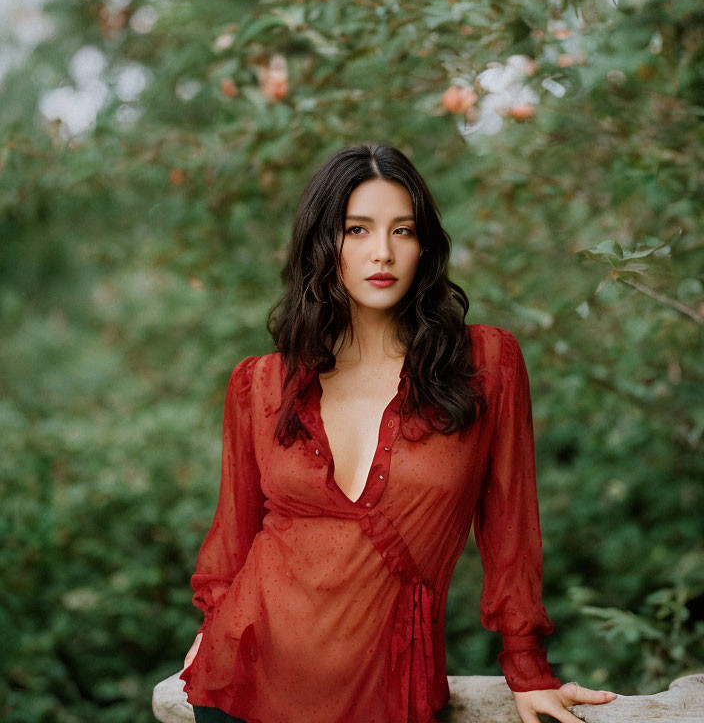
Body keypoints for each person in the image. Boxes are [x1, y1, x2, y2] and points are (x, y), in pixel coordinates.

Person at [179, 144, 618, 723]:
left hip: (392, 697)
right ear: (322, 244)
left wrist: (528, 667)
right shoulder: (261, 384)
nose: (382, 252)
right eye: (356, 229)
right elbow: (231, 542)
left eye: (402, 231)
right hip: (244, 685)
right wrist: (213, 629)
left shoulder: (485, 365)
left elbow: (510, 527)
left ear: (424, 245)